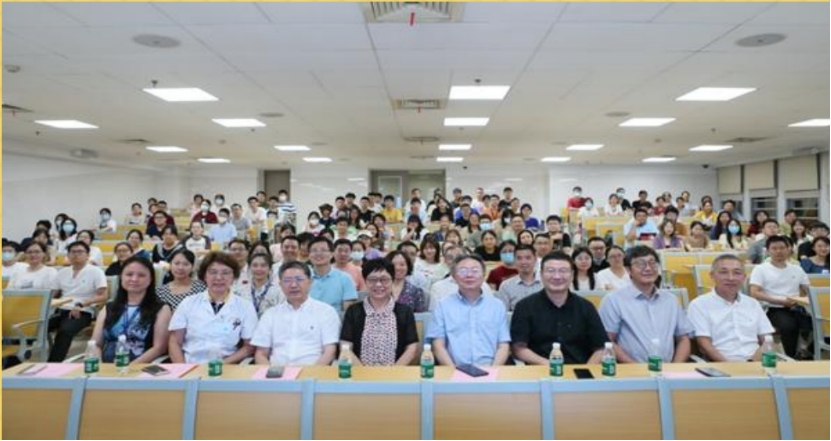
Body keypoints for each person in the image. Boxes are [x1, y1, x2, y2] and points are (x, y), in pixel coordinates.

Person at [510, 252, 608, 365]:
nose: (557, 276)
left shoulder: (586, 307)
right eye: (551, 271)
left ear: (572, 275)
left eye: (563, 271)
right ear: (541, 274)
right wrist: (552, 366)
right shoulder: (524, 306)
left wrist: (586, 370)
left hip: (579, 369)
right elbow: (518, 348)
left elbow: (601, 347)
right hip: (539, 369)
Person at [599, 246, 693, 363]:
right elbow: (608, 341)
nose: (648, 268)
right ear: (628, 270)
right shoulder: (613, 300)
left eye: (653, 263)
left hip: (668, 369)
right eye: (641, 264)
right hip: (630, 370)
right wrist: (636, 368)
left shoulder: (671, 300)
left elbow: (683, 338)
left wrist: (675, 368)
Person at [168, 252, 259, 364]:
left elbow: (249, 347)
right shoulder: (188, 303)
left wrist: (221, 364)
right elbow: (175, 342)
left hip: (227, 366)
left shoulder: (245, 306)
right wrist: (183, 369)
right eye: (213, 272)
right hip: (191, 365)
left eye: (225, 273)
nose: (219, 278)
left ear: (233, 277)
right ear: (204, 276)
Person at [687, 255, 775, 362]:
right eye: (723, 272)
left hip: (756, 362)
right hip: (719, 364)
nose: (731, 278)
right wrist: (731, 367)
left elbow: (767, 339)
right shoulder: (699, 305)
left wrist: (754, 363)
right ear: (712, 275)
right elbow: (704, 345)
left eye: (737, 273)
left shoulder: (753, 304)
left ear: (744, 277)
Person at [250, 261, 340, 366]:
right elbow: (261, 353)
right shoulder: (270, 314)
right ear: (280, 285)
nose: (293, 285)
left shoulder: (326, 312)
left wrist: (312, 373)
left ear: (310, 282)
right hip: (276, 372)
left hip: (314, 371)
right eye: (287, 281)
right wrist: (271, 373)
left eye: (299, 279)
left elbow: (330, 351)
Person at [428, 255, 511, 367]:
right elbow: (438, 346)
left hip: (491, 368)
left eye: (475, 271)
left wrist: (493, 371)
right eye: (463, 271)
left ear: (483, 275)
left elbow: (503, 345)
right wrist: (453, 371)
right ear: (454, 276)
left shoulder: (497, 306)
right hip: (453, 369)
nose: (469, 275)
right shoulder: (443, 306)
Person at [339, 259, 419, 366]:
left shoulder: (404, 312)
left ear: (392, 281)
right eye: (372, 280)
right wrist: (362, 372)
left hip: (395, 373)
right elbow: (345, 346)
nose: (378, 284)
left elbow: (412, 348)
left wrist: (394, 372)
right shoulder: (354, 311)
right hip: (360, 373)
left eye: (384, 280)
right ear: (365, 281)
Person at [91, 257, 171, 363]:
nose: (134, 279)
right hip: (106, 366)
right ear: (121, 277)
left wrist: (129, 368)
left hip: (140, 366)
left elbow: (159, 348)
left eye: (141, 275)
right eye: (129, 274)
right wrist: (99, 366)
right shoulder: (109, 308)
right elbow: (95, 344)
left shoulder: (161, 309)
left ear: (151, 279)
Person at [749, 236, 812, 359]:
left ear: (789, 249)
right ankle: (791, 357)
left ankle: (807, 353)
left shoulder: (797, 269)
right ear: (768, 250)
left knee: (819, 324)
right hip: (773, 308)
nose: (779, 251)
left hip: (796, 307)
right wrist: (780, 301)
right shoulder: (761, 269)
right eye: (774, 248)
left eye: (782, 248)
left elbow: (809, 290)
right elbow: (754, 292)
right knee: (789, 326)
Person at [48, 241, 108, 361]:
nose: (76, 254)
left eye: (80, 252)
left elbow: (103, 296)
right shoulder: (62, 272)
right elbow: (52, 294)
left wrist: (81, 304)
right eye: (73, 252)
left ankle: (54, 363)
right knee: (39, 327)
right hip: (61, 309)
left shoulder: (96, 271)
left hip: (82, 310)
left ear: (87, 255)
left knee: (65, 330)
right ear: (68, 255)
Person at [428, 246, 493, 311]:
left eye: (458, 257)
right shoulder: (438, 287)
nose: (454, 260)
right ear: (445, 261)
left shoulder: (483, 285)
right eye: (450, 258)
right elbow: (434, 313)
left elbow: (491, 310)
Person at [308, 236, 358, 313]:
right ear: (309, 255)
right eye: (314, 250)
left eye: (323, 250)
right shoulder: (302, 278)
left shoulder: (345, 278)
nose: (318, 254)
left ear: (332, 254)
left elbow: (348, 312)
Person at [235, 252, 284, 317]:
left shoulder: (279, 292)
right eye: (255, 265)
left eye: (263, 265)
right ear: (249, 268)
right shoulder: (240, 292)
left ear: (270, 269)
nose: (259, 269)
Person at [496, 244, 542, 312]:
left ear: (535, 259)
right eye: (519, 258)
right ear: (514, 260)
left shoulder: (546, 283)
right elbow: (502, 313)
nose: (523, 262)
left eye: (528, 258)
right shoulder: (506, 286)